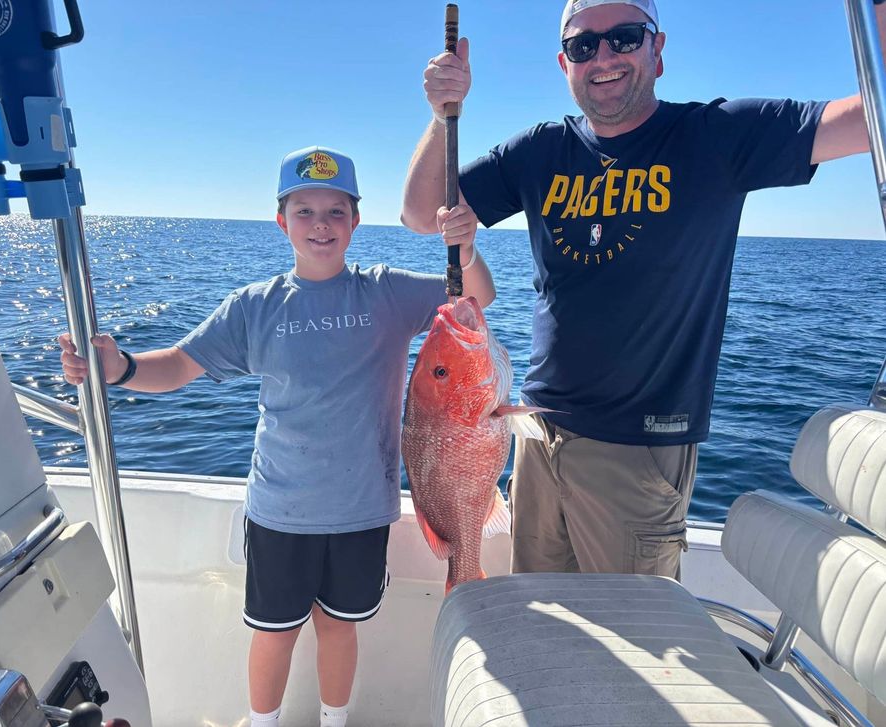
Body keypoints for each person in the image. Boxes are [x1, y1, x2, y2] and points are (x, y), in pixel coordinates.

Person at [402, 0, 881, 580]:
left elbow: (870, 119)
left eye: (625, 37)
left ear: (658, 50)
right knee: (546, 629)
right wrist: (440, 114)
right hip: (535, 434)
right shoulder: (538, 152)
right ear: (564, 63)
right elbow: (422, 214)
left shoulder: (717, 136)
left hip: (637, 450)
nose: (603, 56)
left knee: (635, 646)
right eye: (583, 45)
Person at [59, 146, 494, 727]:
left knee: (340, 628)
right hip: (279, 511)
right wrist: (122, 369)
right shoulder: (254, 307)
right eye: (305, 211)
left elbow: (477, 298)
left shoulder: (387, 293)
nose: (321, 225)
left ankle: (334, 721)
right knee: (274, 634)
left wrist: (465, 247)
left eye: (336, 212)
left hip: (362, 510)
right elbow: (181, 365)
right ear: (281, 221)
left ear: (357, 221)